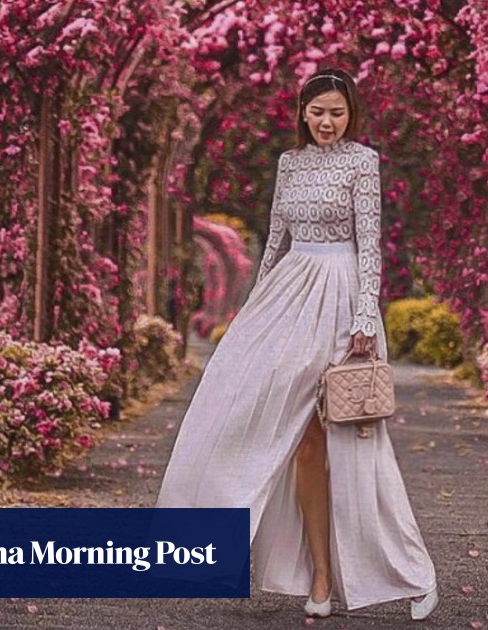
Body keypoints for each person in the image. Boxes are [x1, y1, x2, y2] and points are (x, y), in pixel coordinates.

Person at [155, 68, 439, 621]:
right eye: (317, 112)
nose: (327, 122)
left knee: (356, 447)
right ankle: (318, 578)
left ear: (351, 113)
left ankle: (412, 573)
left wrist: (364, 313)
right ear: (303, 114)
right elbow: (275, 244)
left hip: (340, 303)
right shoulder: (289, 164)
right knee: (285, 432)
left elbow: (368, 246)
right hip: (288, 297)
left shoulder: (363, 162)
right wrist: (253, 312)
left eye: (337, 112)